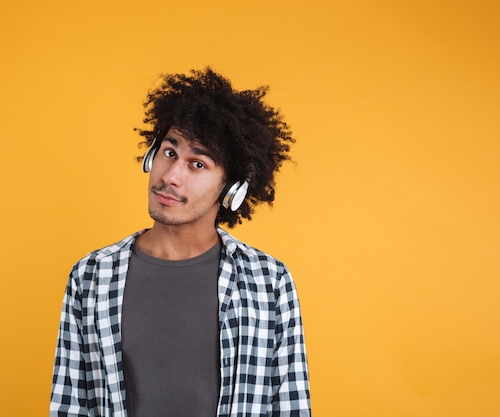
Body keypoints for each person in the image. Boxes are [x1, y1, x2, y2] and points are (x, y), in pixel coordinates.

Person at [50, 67, 311, 417]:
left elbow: (292, 408)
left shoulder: (269, 282)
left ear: (233, 190)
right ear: (151, 155)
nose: (170, 176)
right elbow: (70, 407)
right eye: (169, 153)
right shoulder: (92, 275)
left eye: (197, 164)